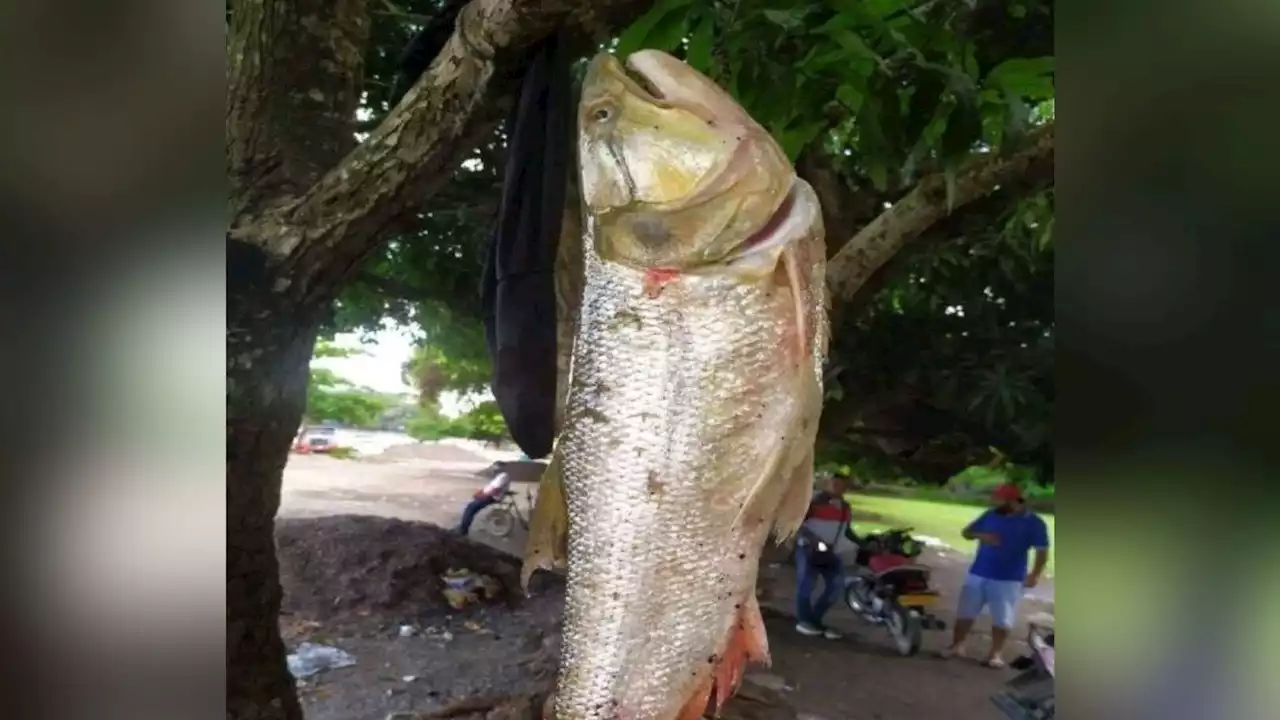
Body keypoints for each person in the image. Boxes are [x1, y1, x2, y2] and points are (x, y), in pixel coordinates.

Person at [940, 482, 1050, 668]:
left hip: (1009, 578)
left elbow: (1042, 551)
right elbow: (967, 532)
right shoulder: (990, 515)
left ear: (1013, 500)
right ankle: (957, 645)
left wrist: (1034, 574)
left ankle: (995, 654)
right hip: (978, 572)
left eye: (1000, 499)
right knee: (965, 612)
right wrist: (982, 536)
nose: (995, 502)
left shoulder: (1034, 523)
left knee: (1003, 618)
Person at [793, 474, 858, 639]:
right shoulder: (813, 502)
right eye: (833, 484)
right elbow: (795, 523)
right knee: (806, 584)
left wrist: (864, 542)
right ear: (826, 485)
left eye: (841, 485)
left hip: (832, 551)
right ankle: (804, 621)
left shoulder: (845, 507)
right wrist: (812, 539)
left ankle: (814, 620)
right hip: (808, 549)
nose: (837, 488)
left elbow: (847, 531)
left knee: (835, 588)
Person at [455, 462, 512, 536]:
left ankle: (463, 530)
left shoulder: (503, 476)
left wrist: (483, 495)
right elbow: (490, 487)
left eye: (495, 467)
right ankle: (462, 527)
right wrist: (480, 493)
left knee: (471, 507)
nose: (493, 469)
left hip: (491, 497)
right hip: (488, 495)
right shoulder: (499, 476)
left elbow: (495, 489)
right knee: (471, 507)